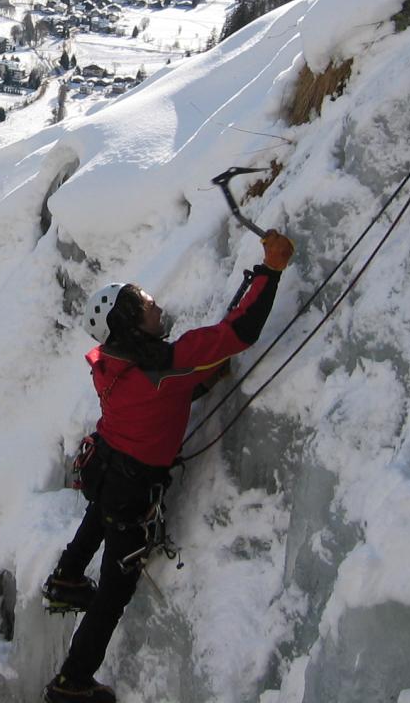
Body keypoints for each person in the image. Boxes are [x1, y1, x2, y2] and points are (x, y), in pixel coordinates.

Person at [42, 230, 296, 703]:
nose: (156, 304)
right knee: (114, 596)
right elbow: (240, 333)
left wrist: (195, 387)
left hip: (108, 464)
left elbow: (157, 398)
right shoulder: (165, 365)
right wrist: (272, 270)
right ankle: (71, 683)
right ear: (132, 324)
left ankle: (67, 577)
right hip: (132, 488)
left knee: (98, 511)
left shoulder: (110, 362)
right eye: (145, 302)